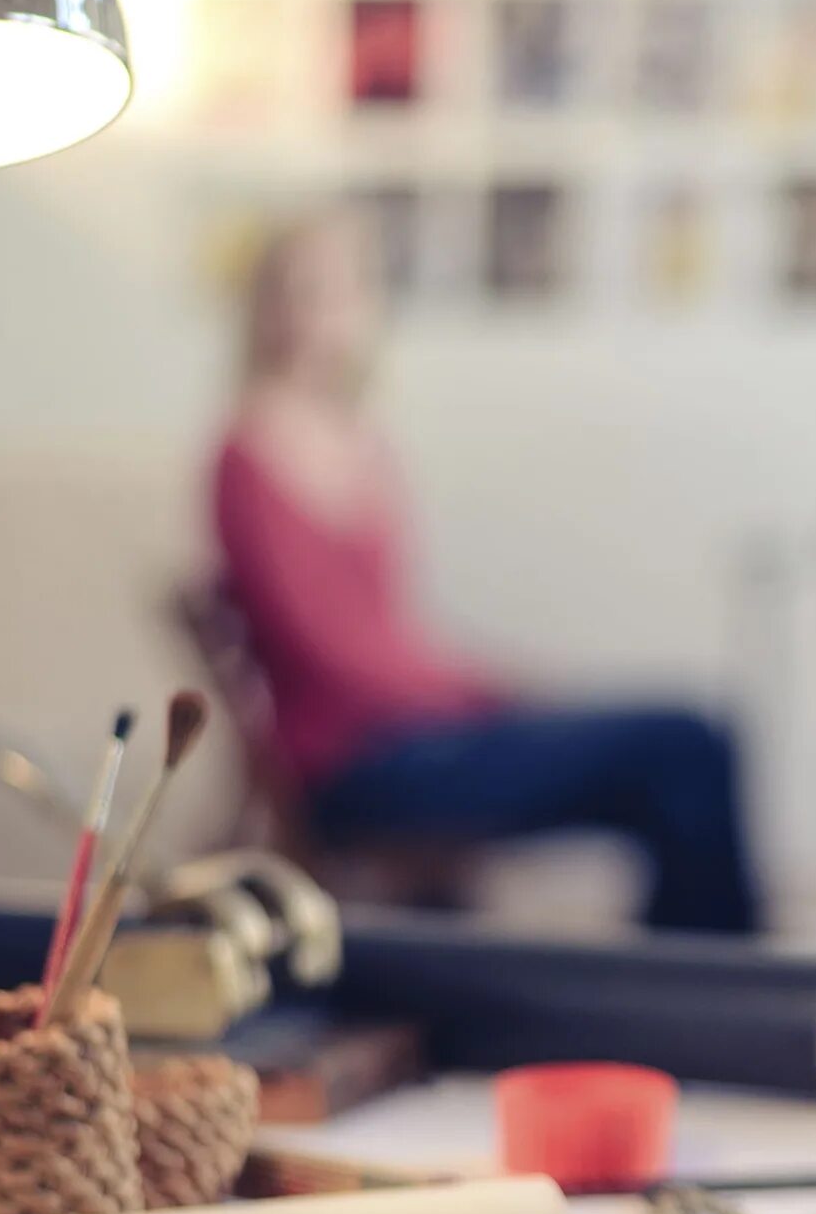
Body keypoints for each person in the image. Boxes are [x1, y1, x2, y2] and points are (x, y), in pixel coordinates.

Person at [214, 217, 761, 934]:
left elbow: (392, 636)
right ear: (269, 307)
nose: (327, 312)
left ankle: (685, 989)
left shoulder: (364, 442)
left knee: (689, 756)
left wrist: (488, 690)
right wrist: (486, 698)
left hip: (425, 732)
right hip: (357, 765)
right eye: (306, 292)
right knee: (683, 743)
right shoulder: (246, 451)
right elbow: (331, 657)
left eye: (347, 290)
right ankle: (715, 988)